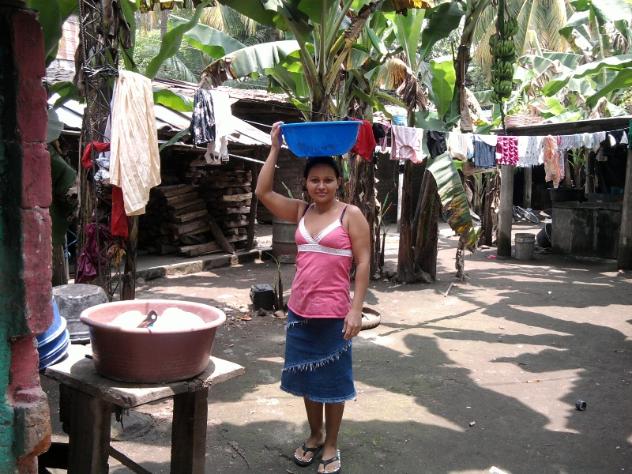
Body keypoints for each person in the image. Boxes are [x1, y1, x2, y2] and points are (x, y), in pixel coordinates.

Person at [255, 122, 370, 474]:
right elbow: (262, 191)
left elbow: (364, 262)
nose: (321, 186)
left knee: (333, 381)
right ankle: (315, 434)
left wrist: (356, 310)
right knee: (307, 377)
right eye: (315, 180)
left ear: (338, 182)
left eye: (328, 180)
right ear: (305, 183)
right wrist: (275, 148)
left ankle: (332, 442)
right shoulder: (300, 211)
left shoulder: (351, 215)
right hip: (300, 312)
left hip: (335, 314)